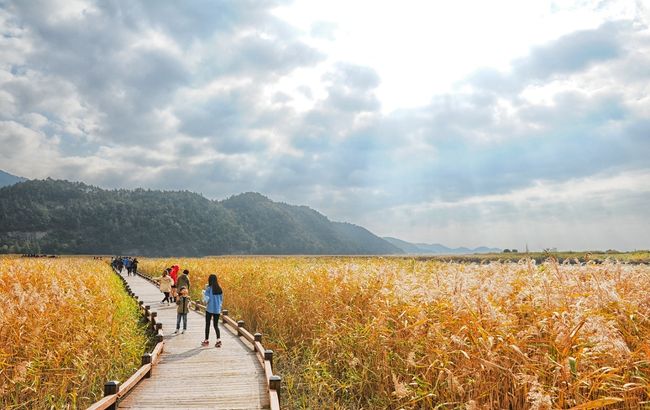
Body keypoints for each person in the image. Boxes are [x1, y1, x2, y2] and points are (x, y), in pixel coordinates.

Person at [202, 274, 223, 347]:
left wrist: (204, 292)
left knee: (207, 324)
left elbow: (206, 299)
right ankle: (218, 340)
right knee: (216, 325)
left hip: (209, 309)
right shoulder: (220, 288)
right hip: (217, 310)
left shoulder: (209, 289)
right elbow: (221, 300)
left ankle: (206, 340)